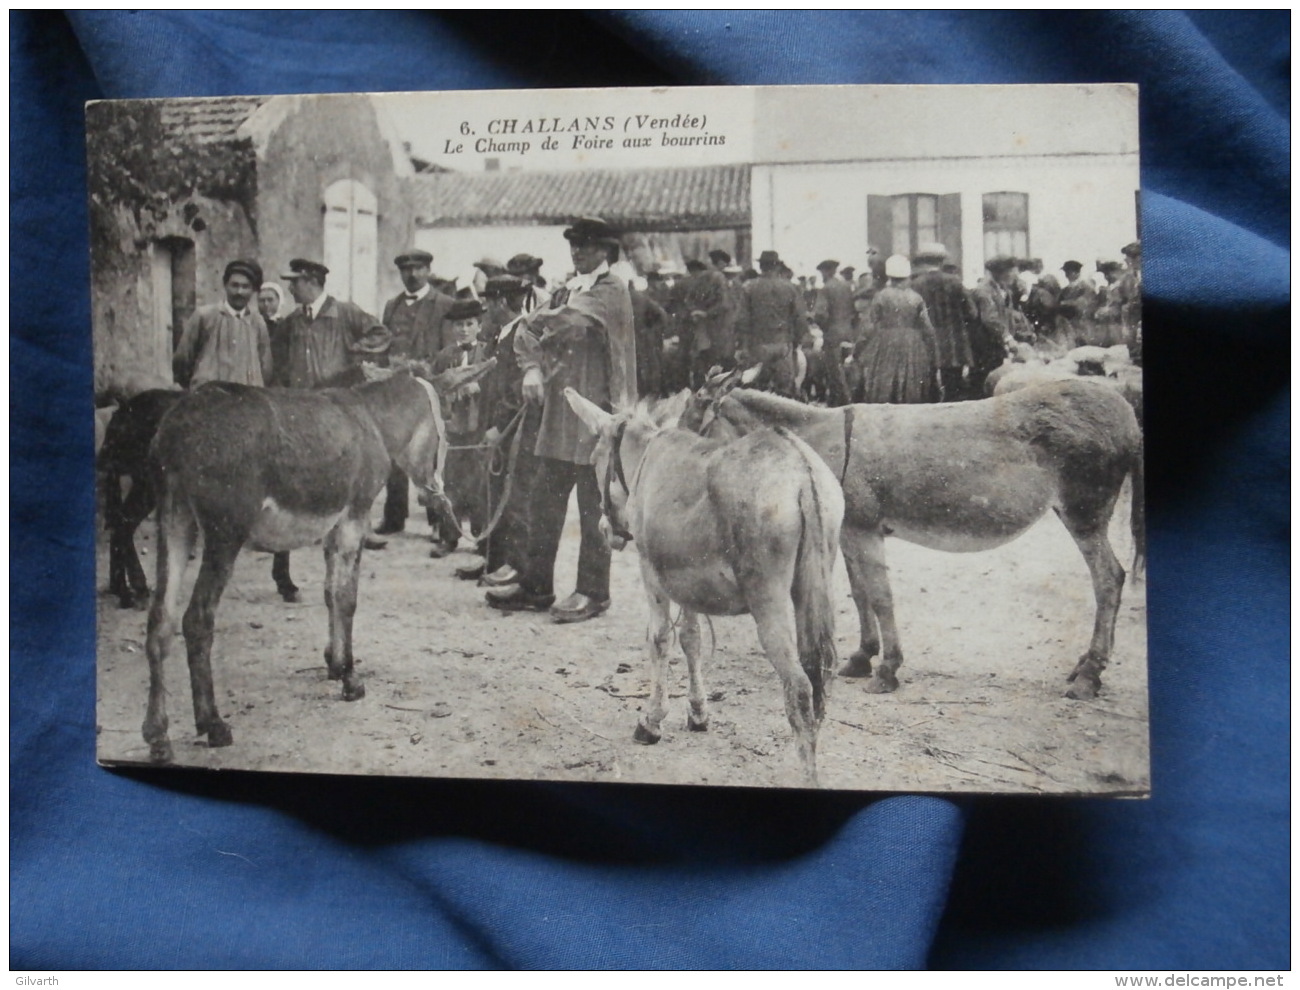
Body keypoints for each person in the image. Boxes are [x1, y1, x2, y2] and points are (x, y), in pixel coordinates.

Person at [486, 216, 636, 623]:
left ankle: (593, 592)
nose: (577, 252)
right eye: (573, 246)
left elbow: (555, 321)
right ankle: (536, 586)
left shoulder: (610, 290)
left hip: (597, 419)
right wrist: (532, 369)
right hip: (558, 418)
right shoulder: (570, 288)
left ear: (605, 251)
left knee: (594, 511)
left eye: (585, 246)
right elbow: (523, 336)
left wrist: (533, 327)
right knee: (543, 505)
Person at [278, 258, 391, 552]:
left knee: (348, 466)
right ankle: (318, 524)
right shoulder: (293, 320)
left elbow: (380, 333)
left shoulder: (345, 313)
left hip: (337, 405)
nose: (290, 288)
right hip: (303, 405)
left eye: (295, 282)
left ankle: (360, 526)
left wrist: (355, 352)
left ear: (312, 282)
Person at [375, 249, 457, 537]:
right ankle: (394, 516)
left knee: (430, 456)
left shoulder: (445, 305)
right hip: (397, 392)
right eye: (406, 270)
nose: (412, 274)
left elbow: (449, 350)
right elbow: (385, 347)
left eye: (418, 269)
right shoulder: (392, 306)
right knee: (395, 451)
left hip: (428, 392)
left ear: (428, 270)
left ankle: (437, 519)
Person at [474, 275, 538, 587]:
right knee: (497, 492)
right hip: (500, 429)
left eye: (488, 301)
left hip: (515, 430)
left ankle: (518, 565)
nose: (485, 307)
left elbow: (515, 390)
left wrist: (498, 426)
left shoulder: (522, 334)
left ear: (501, 302)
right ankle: (497, 559)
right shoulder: (504, 334)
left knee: (517, 496)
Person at [428, 297, 492, 561]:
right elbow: (434, 387)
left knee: (479, 484)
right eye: (459, 325)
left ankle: (481, 537)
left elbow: (495, 388)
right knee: (449, 483)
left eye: (470, 324)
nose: (464, 330)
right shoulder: (445, 357)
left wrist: (481, 388)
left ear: (479, 326)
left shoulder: (488, 354)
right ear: (452, 329)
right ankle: (448, 536)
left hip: (478, 427)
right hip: (453, 428)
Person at [172, 259, 271, 389]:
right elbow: (183, 360)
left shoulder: (258, 323)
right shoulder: (204, 316)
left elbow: (266, 367)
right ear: (225, 285)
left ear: (252, 290)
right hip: (209, 397)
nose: (239, 292)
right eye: (234, 285)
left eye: (245, 287)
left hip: (248, 400)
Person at [854, 254, 937, 404]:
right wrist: (932, 352)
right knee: (912, 380)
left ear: (890, 276)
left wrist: (858, 349)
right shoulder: (916, 298)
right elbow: (927, 328)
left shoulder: (881, 296)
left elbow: (869, 327)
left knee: (885, 381)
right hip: (913, 344)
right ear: (908, 276)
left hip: (886, 343)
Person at [734, 250, 807, 397]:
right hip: (783, 344)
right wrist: (796, 342)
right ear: (777, 267)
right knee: (785, 392)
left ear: (761, 267)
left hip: (758, 344)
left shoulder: (749, 287)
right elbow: (800, 318)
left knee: (757, 391)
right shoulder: (790, 288)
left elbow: (741, 320)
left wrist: (743, 346)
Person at [910, 242, 975, 401]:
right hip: (954, 341)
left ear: (923, 262)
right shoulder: (955, 282)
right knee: (954, 386)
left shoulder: (916, 284)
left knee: (929, 384)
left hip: (928, 342)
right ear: (941, 261)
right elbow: (971, 313)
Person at [968, 255, 1019, 394]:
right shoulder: (984, 290)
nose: (1015, 275)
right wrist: (1007, 338)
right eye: (1012, 272)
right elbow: (989, 318)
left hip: (995, 344)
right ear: (1001, 273)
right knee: (983, 382)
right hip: (984, 345)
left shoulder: (1003, 290)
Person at [811, 258, 854, 406]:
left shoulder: (826, 288)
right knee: (846, 372)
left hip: (832, 335)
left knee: (834, 374)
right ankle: (841, 401)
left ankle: (841, 405)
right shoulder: (846, 286)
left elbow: (820, 315)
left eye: (822, 272)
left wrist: (822, 326)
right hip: (848, 333)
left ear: (827, 271)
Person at [1056, 259, 1098, 347]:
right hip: (1068, 325)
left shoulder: (1085, 287)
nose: (1067, 275)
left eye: (1069, 272)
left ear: (1076, 272)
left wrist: (1067, 303)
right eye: (1066, 272)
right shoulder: (1065, 290)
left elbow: (1085, 303)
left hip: (1082, 324)